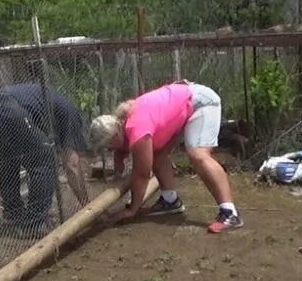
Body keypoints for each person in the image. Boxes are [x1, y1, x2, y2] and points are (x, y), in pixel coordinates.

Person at [87, 80, 243, 233]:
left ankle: (229, 213)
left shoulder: (137, 129)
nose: (109, 150)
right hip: (185, 101)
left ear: (114, 137)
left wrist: (132, 209)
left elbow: (142, 174)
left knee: (198, 154)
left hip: (200, 102)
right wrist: (119, 162)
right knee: (156, 154)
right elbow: (127, 153)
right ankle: (170, 201)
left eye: (108, 146)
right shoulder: (123, 123)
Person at [0, 83, 92, 235]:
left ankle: (13, 212)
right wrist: (87, 205)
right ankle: (35, 223)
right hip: (7, 107)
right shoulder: (70, 115)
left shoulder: (50, 107)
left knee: (9, 158)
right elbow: (72, 165)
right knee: (45, 157)